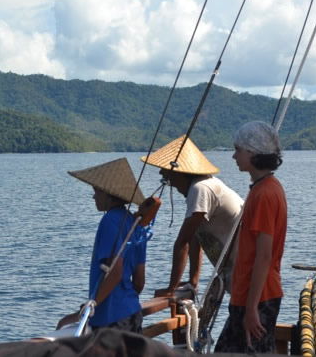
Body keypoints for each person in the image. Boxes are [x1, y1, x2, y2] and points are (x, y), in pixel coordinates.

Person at [215, 121, 287, 353]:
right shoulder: (264, 188)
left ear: (253, 152)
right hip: (252, 294)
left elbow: (264, 255)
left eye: (238, 149)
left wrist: (251, 308)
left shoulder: (264, 194)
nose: (234, 156)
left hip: (257, 297)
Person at [56, 157, 149, 333]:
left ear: (107, 194)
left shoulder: (109, 221)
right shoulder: (134, 223)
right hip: (132, 312)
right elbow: (139, 282)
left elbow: (115, 271)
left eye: (96, 191)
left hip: (110, 318)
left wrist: (94, 303)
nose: (93, 196)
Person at [141, 135, 243, 296]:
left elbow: (183, 241)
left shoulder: (200, 189)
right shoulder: (205, 185)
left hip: (245, 278)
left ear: (180, 173)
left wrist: (171, 288)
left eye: (167, 175)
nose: (168, 181)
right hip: (239, 278)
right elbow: (196, 237)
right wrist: (193, 281)